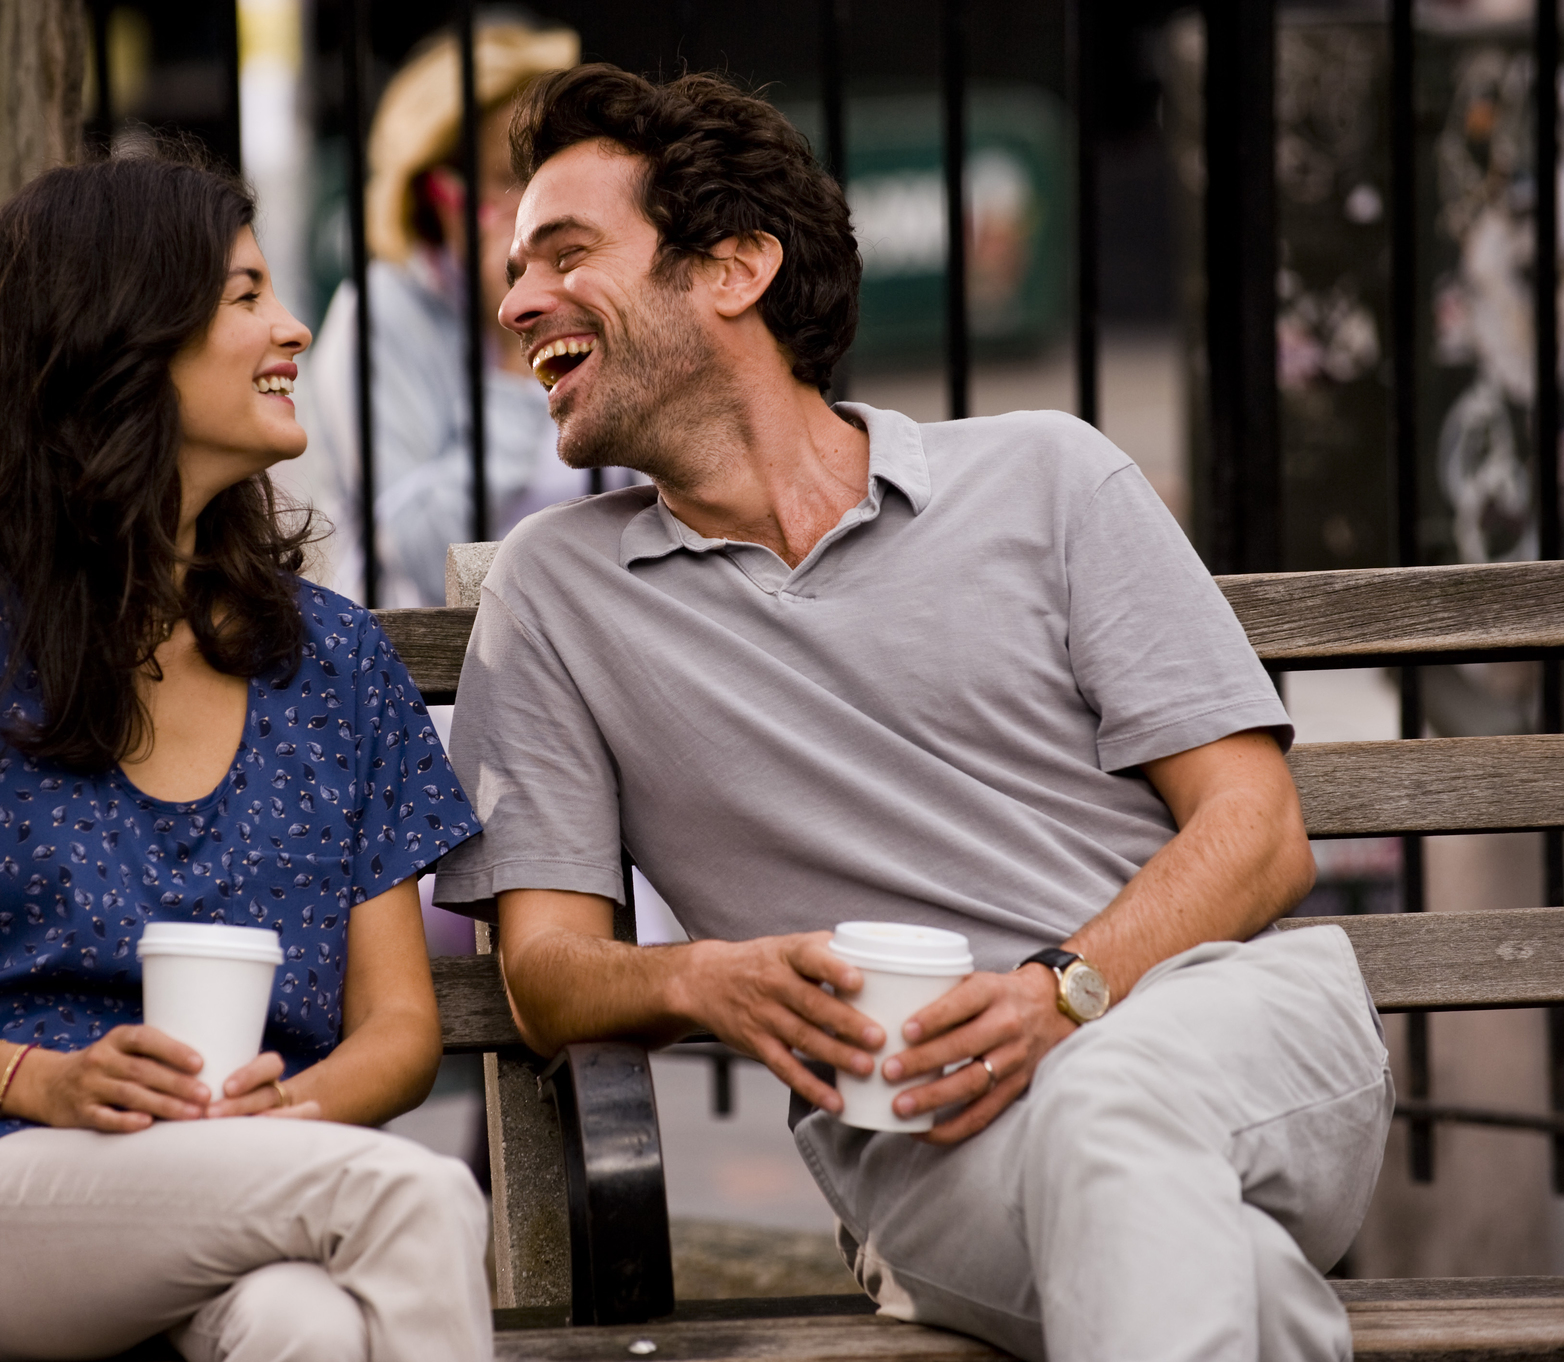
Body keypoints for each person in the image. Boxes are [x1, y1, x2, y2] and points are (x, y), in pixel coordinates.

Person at [434, 64, 1393, 1362]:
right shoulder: (554, 596)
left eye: (564, 251)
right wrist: (704, 977)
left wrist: (1062, 992)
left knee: (1109, 1109)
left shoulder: (1048, 476)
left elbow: (1258, 830)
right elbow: (546, 974)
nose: (515, 301)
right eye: (512, 268)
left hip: (1220, 1023)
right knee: (1230, 1284)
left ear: (733, 268)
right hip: (928, 1139)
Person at [0, 149, 492, 1362]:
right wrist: (35, 1080)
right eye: (245, 295)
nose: (292, 328)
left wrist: (286, 1110)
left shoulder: (334, 662)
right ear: (122, 336)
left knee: (300, 1325)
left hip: (248, 1175)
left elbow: (399, 1029)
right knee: (414, 1196)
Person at [292, 19, 638, 607]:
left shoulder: (599, 287)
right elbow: (425, 558)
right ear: (437, 196)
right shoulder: (379, 314)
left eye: (544, 173)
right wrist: (511, 346)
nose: (535, 205)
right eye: (508, 180)